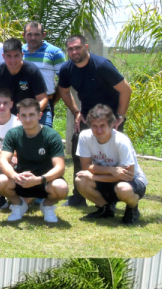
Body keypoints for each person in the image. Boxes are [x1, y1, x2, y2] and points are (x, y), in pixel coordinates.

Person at [57, 34, 132, 208]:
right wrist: (76, 111)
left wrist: (120, 116)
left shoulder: (102, 66)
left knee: (112, 156)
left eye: (78, 47)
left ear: (86, 47)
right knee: (78, 150)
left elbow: (126, 90)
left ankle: (112, 197)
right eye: (70, 49)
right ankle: (78, 196)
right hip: (88, 116)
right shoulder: (67, 69)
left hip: (110, 118)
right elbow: (64, 91)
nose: (74, 52)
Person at [0, 97, 68, 224]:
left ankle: (47, 206)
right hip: (21, 180)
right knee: (0, 181)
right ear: (18, 117)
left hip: (45, 181)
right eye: (24, 115)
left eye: (31, 115)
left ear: (40, 115)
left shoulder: (52, 136)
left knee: (61, 187)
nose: (27, 119)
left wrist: (38, 180)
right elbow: (3, 161)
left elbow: (60, 167)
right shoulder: (13, 134)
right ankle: (19, 205)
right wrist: (16, 176)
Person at [74, 104, 145, 225]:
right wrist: (111, 170)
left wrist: (95, 177)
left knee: (123, 189)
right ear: (89, 125)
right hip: (111, 177)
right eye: (94, 126)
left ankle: (132, 208)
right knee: (80, 180)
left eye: (102, 125)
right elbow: (86, 166)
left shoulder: (121, 140)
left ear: (111, 125)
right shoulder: (84, 136)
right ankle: (106, 208)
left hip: (132, 181)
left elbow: (128, 175)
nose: (99, 130)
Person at [0, 39, 48, 117]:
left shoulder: (32, 71)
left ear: (22, 55)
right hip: (6, 114)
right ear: (3, 56)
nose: (13, 60)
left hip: (32, 113)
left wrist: (29, 115)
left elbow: (43, 99)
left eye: (16, 56)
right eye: (9, 56)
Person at [22, 21, 65, 126]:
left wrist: (53, 100)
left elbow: (64, 80)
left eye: (37, 34)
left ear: (43, 35)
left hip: (45, 104)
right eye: (29, 34)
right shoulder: (18, 52)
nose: (33, 38)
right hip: (22, 103)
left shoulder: (55, 52)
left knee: (44, 135)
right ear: (24, 35)